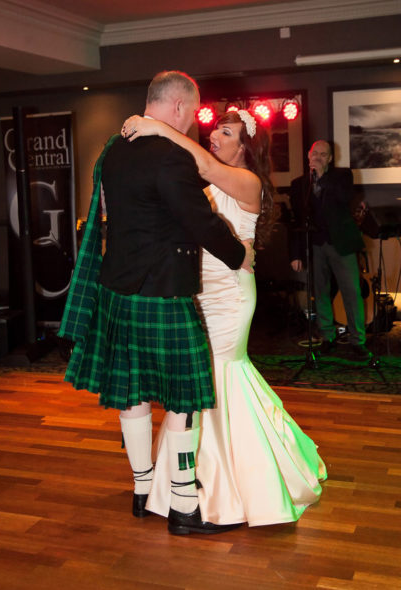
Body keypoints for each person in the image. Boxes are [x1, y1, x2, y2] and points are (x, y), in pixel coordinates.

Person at [58, 71, 254, 535]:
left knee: (133, 392)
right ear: (180, 108)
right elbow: (199, 222)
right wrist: (238, 255)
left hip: (117, 288)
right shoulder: (170, 157)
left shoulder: (113, 150)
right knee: (185, 395)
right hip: (161, 290)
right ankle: (185, 507)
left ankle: (143, 488)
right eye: (193, 111)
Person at [123, 109, 327, 526]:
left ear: (245, 148)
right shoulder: (205, 180)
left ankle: (225, 484)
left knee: (217, 373)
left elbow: (204, 164)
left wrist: (158, 126)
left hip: (231, 295)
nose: (215, 134)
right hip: (198, 290)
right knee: (201, 377)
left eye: (226, 131)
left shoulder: (247, 181)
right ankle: (184, 484)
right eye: (216, 127)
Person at [288, 140, 371, 360]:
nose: (318, 157)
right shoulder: (298, 185)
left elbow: (344, 199)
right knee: (320, 292)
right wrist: (296, 253)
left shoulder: (342, 177)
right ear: (308, 155)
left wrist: (323, 176)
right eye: (315, 153)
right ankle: (327, 337)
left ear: (330, 159)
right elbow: (297, 220)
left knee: (351, 292)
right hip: (315, 244)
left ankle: (357, 340)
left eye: (323, 154)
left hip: (341, 244)